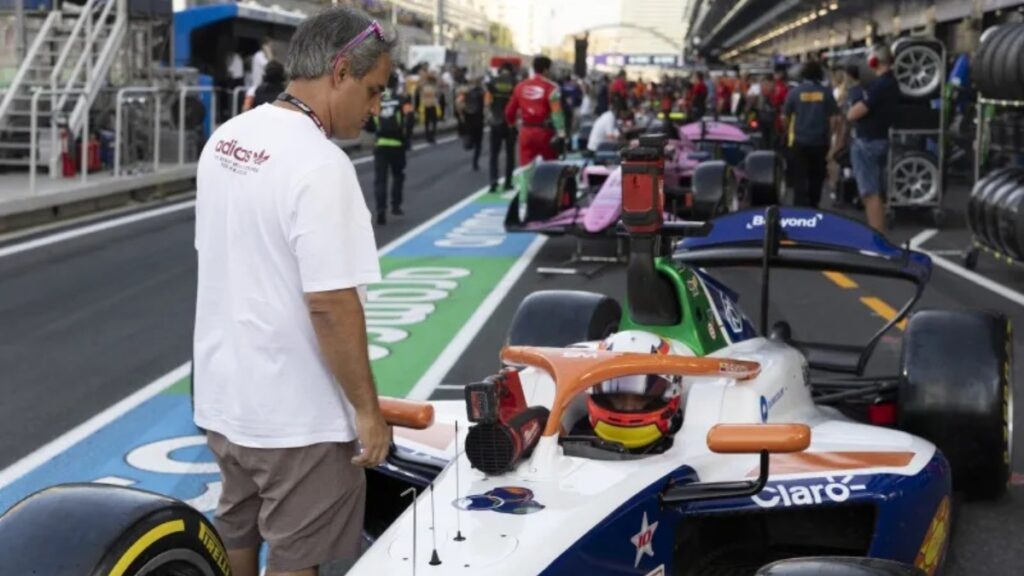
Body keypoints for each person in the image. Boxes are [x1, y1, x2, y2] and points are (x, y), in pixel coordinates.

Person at [193, 8, 395, 576]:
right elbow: (330, 303)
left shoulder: (227, 138)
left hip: (224, 397)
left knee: (238, 529)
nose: (376, 108)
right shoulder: (321, 163)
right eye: (374, 90)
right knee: (296, 556)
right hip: (296, 415)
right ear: (339, 72)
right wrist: (367, 411)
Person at [584, 331, 689, 451]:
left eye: (641, 397)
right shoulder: (563, 441)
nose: (628, 407)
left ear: (672, 393)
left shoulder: (696, 445)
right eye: (617, 395)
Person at [848, 46, 900, 232]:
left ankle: (876, 235)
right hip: (880, 138)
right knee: (876, 191)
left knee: (871, 193)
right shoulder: (892, 83)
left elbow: (854, 113)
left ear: (873, 62)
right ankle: (878, 232)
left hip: (868, 141)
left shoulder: (880, 86)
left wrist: (853, 105)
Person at [782, 60, 841, 208]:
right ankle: (814, 204)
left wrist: (787, 130)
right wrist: (829, 135)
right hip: (820, 142)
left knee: (799, 176)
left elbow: (784, 117)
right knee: (817, 176)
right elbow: (834, 119)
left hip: (799, 141)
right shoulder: (826, 93)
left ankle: (800, 207)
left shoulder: (794, 93)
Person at [366, 72, 413, 225]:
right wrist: (407, 137)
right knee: (398, 175)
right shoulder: (402, 99)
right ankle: (396, 205)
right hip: (397, 144)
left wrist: (376, 130)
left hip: (381, 144)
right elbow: (411, 117)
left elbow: (368, 124)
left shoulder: (376, 100)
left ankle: (380, 210)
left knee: (380, 180)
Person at [505, 55, 567, 166]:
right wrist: (561, 134)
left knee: (525, 170)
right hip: (545, 133)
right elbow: (557, 113)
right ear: (546, 70)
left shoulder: (520, 86)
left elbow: (509, 111)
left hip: (526, 132)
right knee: (550, 168)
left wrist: (512, 125)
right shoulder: (552, 88)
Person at [486, 63, 517, 192]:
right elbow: (518, 104)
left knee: (494, 154)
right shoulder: (515, 83)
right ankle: (508, 182)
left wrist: (489, 115)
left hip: (495, 121)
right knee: (510, 154)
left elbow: (487, 102)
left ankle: (493, 181)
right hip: (510, 123)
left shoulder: (492, 83)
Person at [463, 76, 486, 171]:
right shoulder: (483, 93)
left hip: (469, 118)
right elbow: (487, 105)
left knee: (470, 135)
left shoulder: (467, 93)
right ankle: (475, 163)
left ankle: (469, 142)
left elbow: (459, 103)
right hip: (479, 119)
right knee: (478, 143)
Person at [417, 73, 440, 144]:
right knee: (433, 122)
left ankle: (428, 137)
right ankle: (431, 137)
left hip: (426, 106)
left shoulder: (424, 87)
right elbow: (437, 95)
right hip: (432, 106)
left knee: (427, 123)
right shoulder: (433, 87)